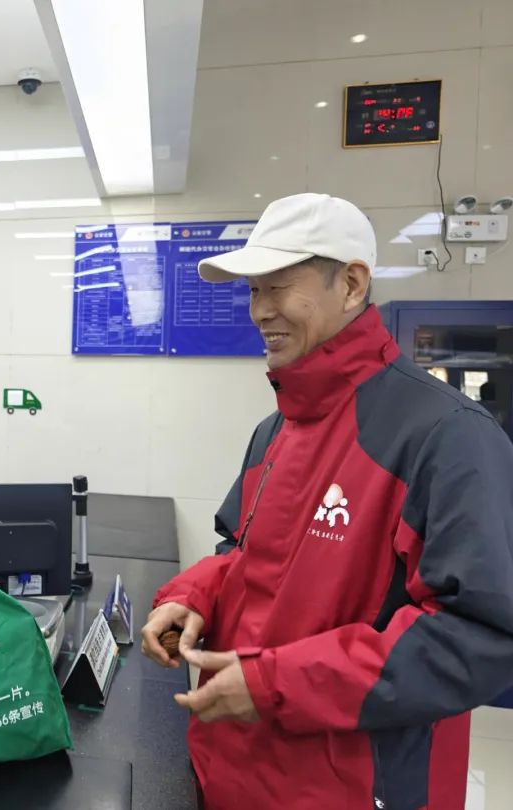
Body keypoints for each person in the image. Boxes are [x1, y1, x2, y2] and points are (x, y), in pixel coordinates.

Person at [140, 194, 513, 809]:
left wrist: (275, 683)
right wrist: (192, 595)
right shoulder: (275, 430)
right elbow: (243, 553)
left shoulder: (447, 436)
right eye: (253, 291)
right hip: (231, 772)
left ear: (352, 284)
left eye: (277, 287)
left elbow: (480, 636)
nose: (260, 310)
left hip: (350, 790)